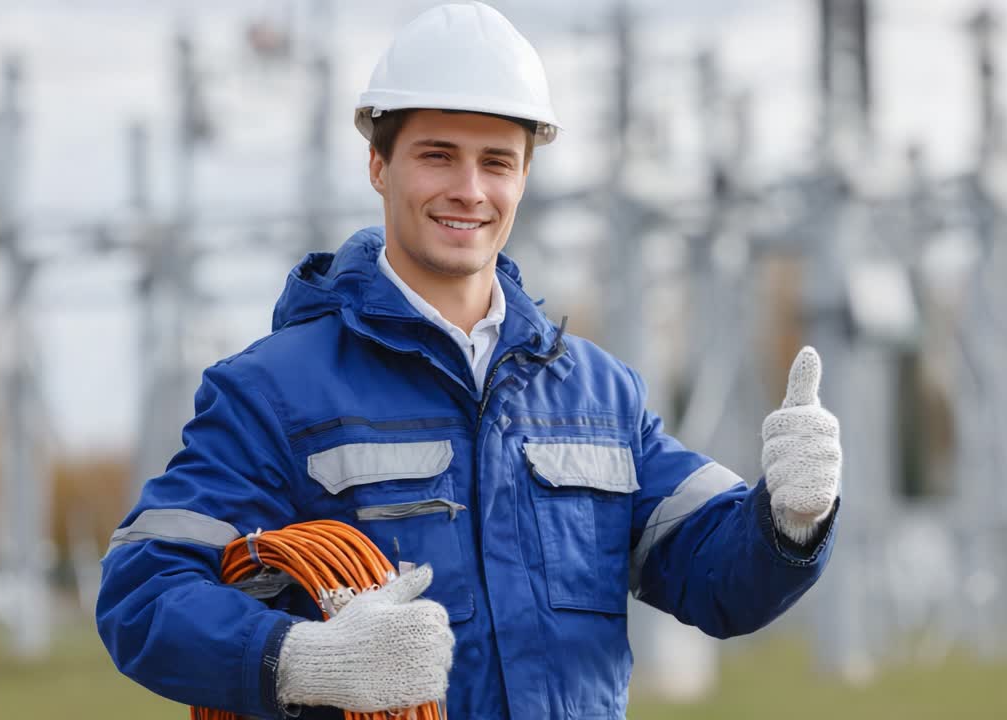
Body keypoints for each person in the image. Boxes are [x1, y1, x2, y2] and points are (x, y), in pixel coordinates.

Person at [96, 3, 841, 719]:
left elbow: (718, 583)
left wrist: (791, 517)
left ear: (524, 176)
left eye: (497, 162)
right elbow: (142, 590)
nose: (470, 190)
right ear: (377, 164)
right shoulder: (273, 393)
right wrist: (301, 659)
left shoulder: (599, 396)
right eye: (438, 155)